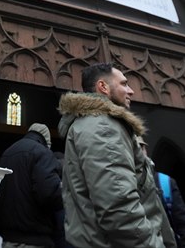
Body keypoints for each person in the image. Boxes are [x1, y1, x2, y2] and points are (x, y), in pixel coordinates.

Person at [57, 62, 176, 247]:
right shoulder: (102, 127)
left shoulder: (98, 124)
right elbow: (119, 210)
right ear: (103, 87)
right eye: (124, 84)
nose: (131, 91)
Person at [0, 123, 63, 248]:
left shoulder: (8, 153)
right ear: (46, 141)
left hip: (7, 239)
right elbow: (50, 194)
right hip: (34, 239)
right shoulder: (43, 153)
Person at [136, 137, 185, 248]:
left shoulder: (164, 182)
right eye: (135, 148)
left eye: (141, 147)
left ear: (146, 150)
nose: (138, 153)